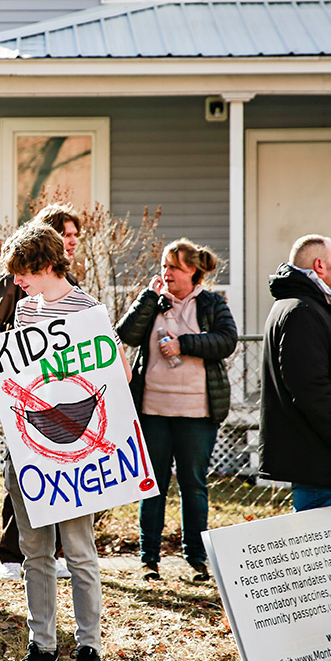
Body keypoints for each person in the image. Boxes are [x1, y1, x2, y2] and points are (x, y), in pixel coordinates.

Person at [0, 223, 131, 661]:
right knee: (34, 552)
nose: (16, 281)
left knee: (78, 552)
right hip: (28, 450)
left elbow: (118, 374)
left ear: (46, 265)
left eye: (22, 272)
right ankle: (43, 649)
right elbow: (24, 377)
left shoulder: (88, 311)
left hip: (74, 454)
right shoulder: (24, 310)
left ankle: (90, 650)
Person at [116, 238, 238, 581]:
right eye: (164, 266)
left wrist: (184, 344)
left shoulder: (211, 303)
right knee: (152, 485)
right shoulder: (153, 301)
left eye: (174, 267)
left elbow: (227, 341)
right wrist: (147, 298)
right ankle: (149, 559)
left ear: (192, 272)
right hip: (153, 411)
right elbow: (126, 334)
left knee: (193, 485)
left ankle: (196, 559)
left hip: (198, 413)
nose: (166, 273)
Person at [0, 202, 81, 582]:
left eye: (75, 235)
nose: (72, 242)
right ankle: (11, 553)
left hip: (61, 402)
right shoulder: (16, 284)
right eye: (66, 235)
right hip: (23, 398)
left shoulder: (75, 291)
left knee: (59, 475)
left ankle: (56, 552)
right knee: (20, 475)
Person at [258, 234, 331, 512]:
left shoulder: (305, 307)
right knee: (321, 534)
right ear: (319, 265)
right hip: (317, 460)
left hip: (316, 457)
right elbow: (309, 388)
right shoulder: (302, 311)